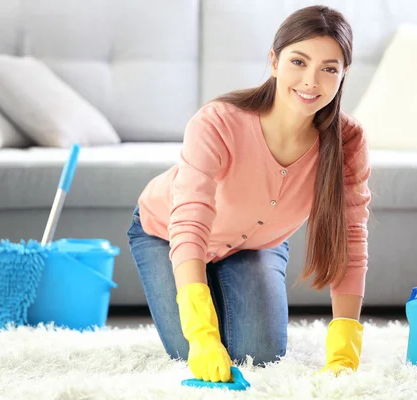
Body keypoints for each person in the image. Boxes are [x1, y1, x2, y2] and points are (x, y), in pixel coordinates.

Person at [127, 5, 371, 383]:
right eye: (298, 61)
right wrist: (203, 335)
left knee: (260, 354)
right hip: (167, 232)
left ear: (343, 74)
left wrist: (345, 347)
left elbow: (351, 239)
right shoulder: (219, 121)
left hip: (255, 245)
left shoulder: (348, 140)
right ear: (274, 61)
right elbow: (189, 223)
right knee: (188, 349)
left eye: (328, 68)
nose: (311, 81)